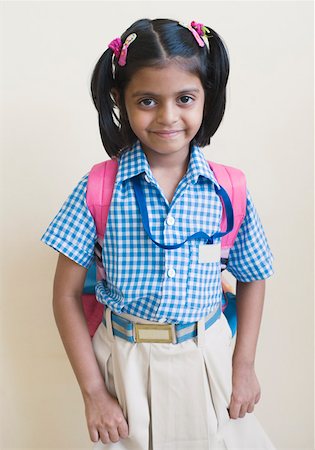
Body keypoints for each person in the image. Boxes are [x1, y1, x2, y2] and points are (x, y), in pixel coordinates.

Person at [41, 18, 276, 450]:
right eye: (147, 100)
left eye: (185, 98)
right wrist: (94, 393)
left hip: (210, 359)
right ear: (120, 100)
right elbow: (65, 296)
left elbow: (254, 276)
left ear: (208, 96)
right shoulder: (98, 188)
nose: (168, 117)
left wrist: (243, 365)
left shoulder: (229, 188)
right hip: (125, 363)